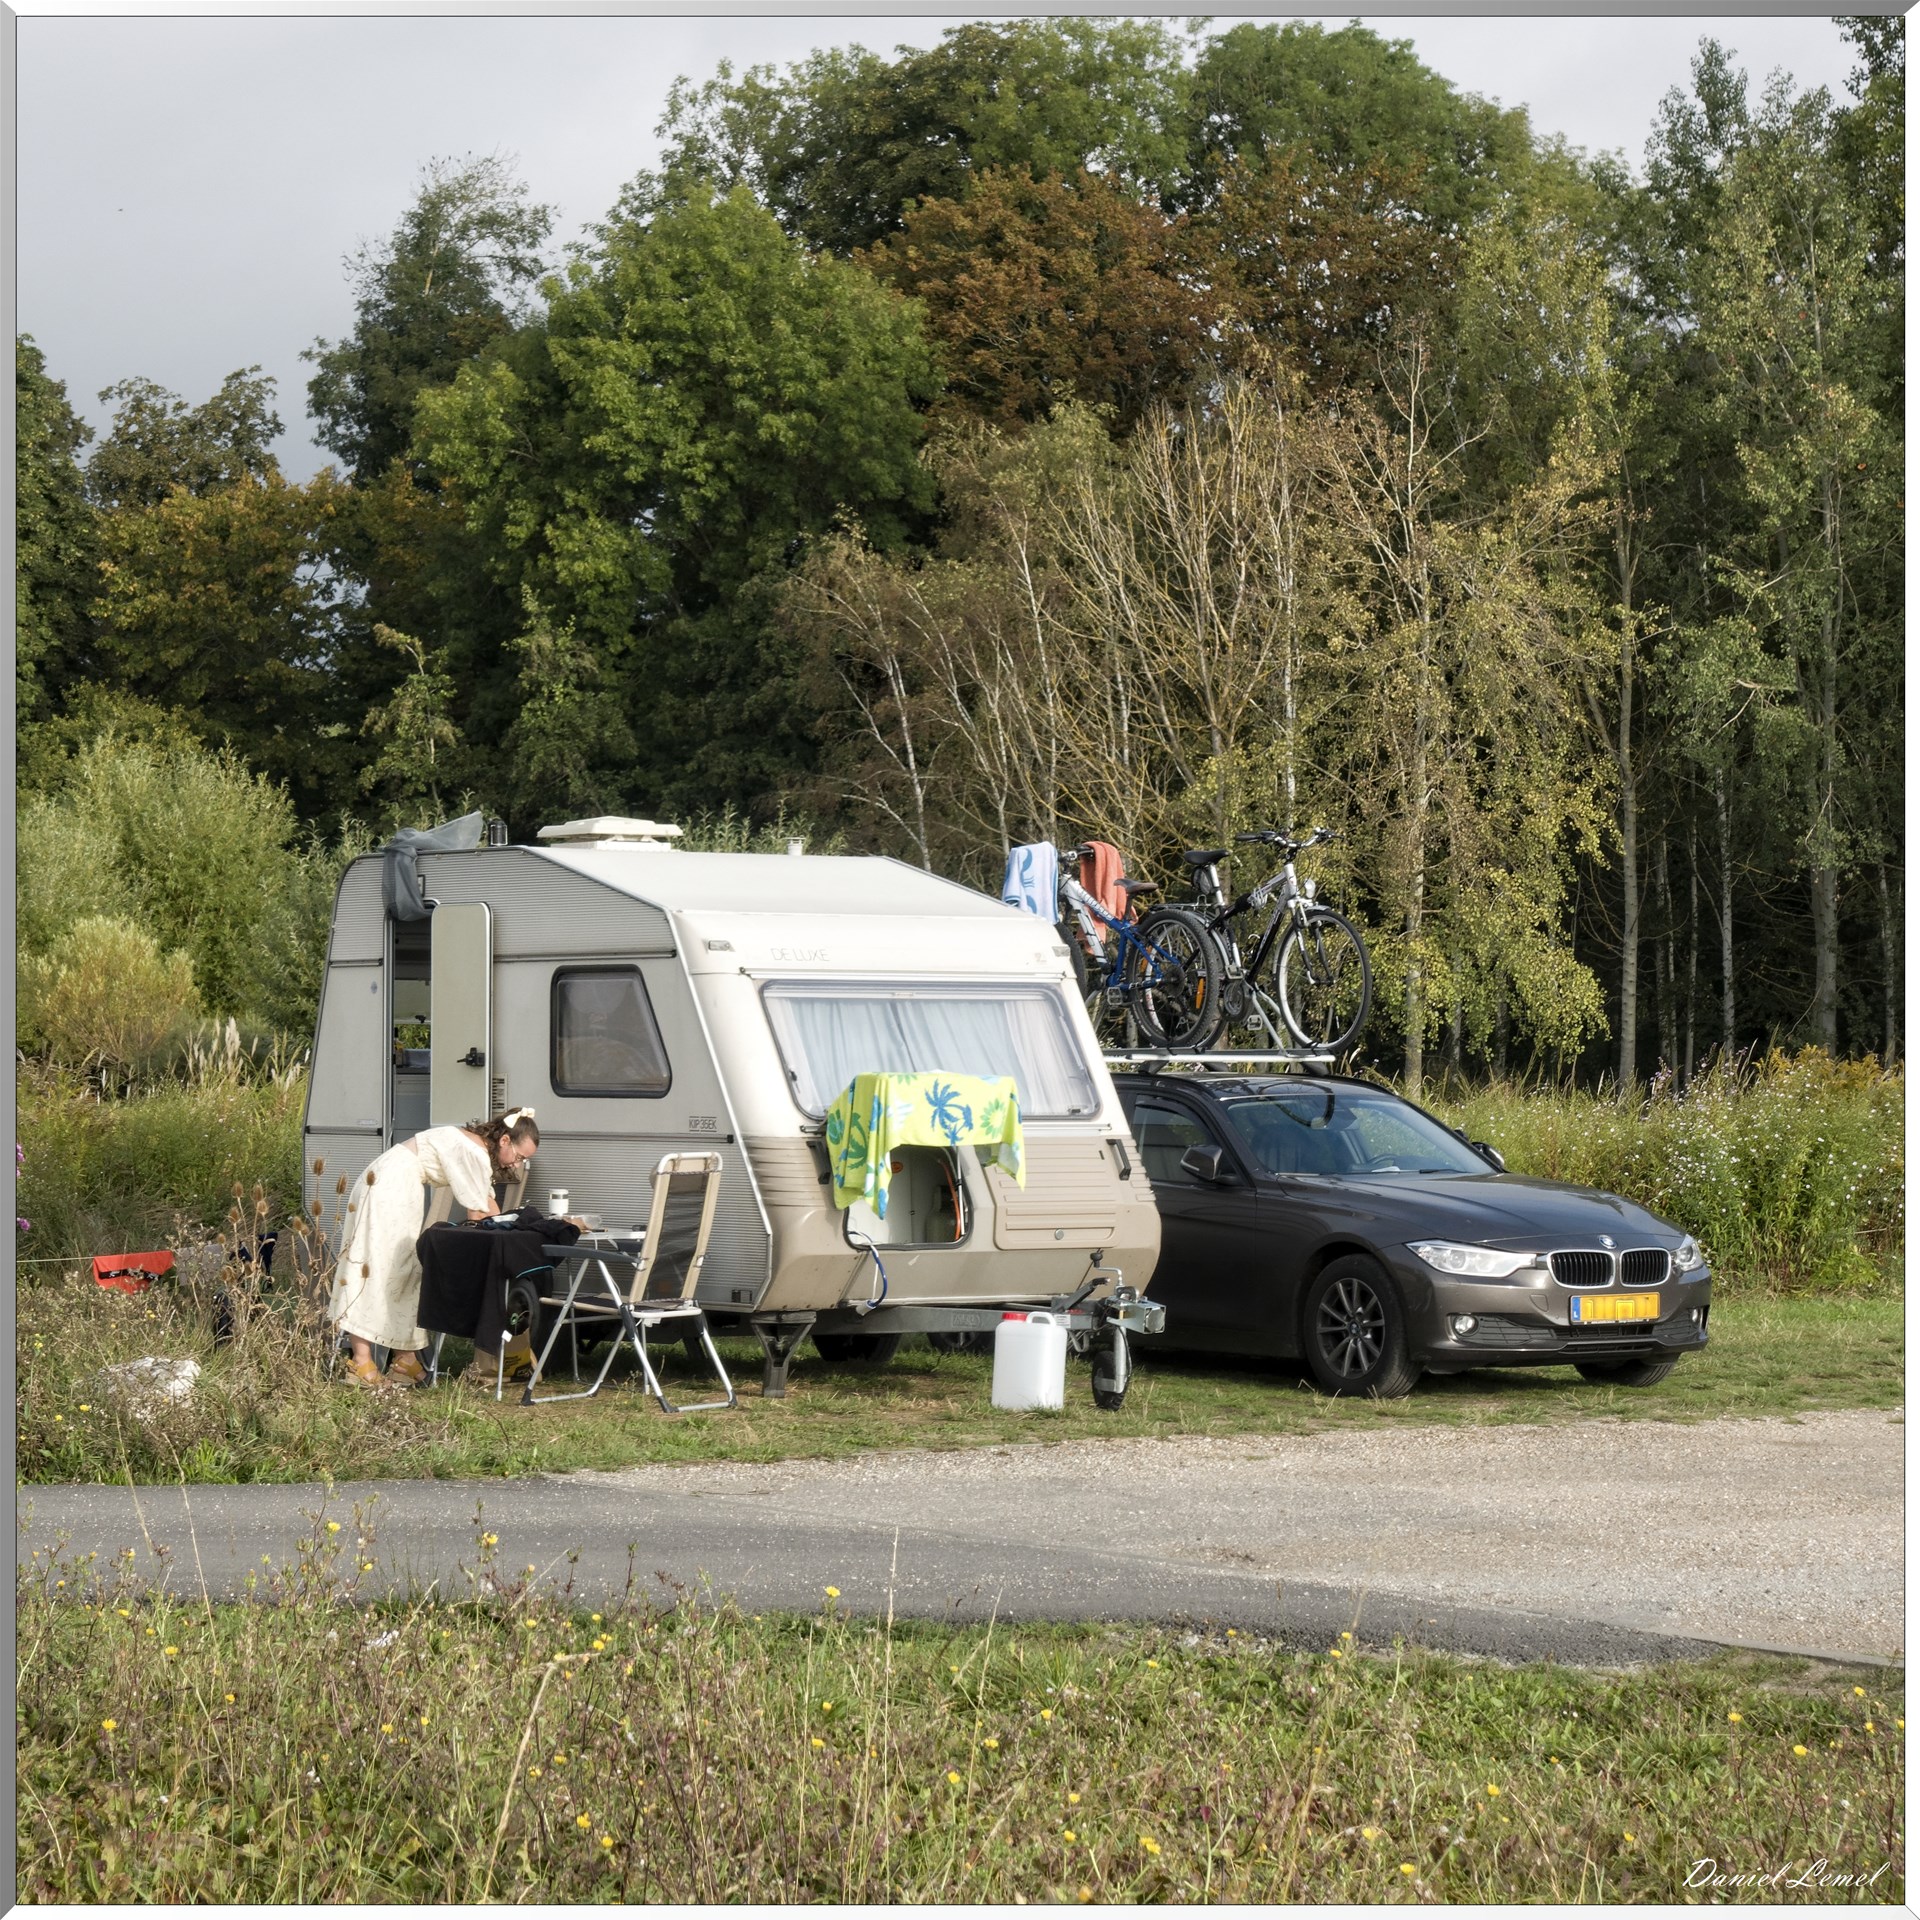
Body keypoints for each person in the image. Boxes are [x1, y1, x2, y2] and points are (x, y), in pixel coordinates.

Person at [329, 1110, 540, 1387]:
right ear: (504, 1140)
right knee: (374, 1267)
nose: (517, 1164)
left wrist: (505, 1222)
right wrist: (509, 1228)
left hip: (398, 1185)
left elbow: (486, 1201)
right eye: (519, 1156)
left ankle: (404, 1359)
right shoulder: (473, 1151)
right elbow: (479, 1211)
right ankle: (361, 1361)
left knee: (403, 1272)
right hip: (388, 1187)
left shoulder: (475, 1149)